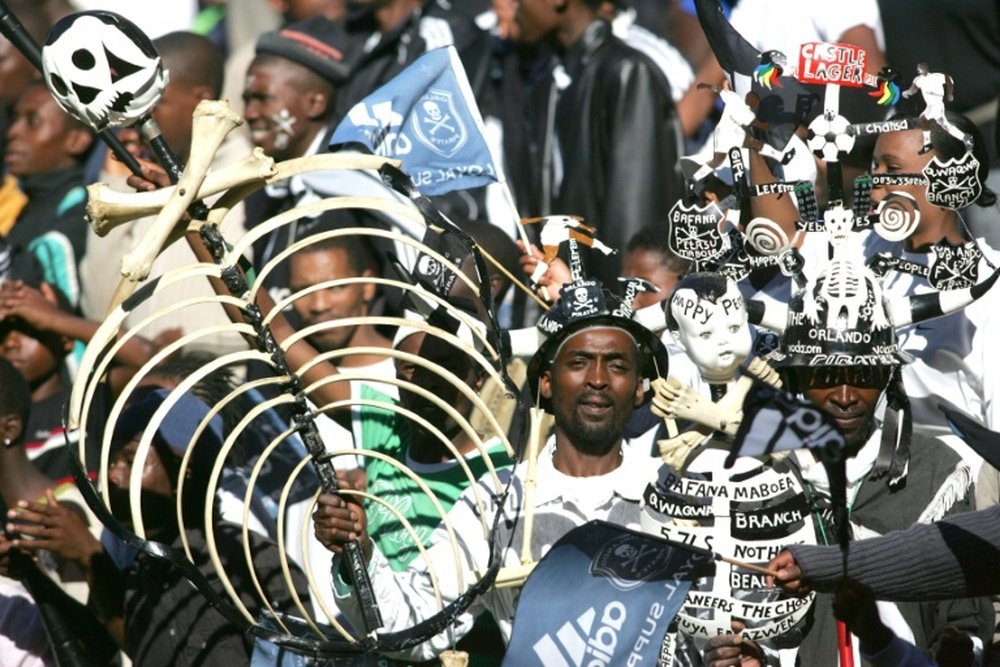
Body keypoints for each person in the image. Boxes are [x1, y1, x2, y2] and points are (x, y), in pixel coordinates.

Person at [312, 276, 668, 660]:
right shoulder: (496, 502)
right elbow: (408, 627)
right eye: (579, 363)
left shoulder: (673, 493)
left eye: (616, 365)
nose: (597, 380)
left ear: (638, 387)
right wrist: (359, 553)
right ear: (546, 382)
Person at [706, 265, 992, 665]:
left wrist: (963, 650)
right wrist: (753, 656)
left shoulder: (936, 473)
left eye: (863, 374)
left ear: (889, 378)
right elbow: (738, 610)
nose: (845, 395)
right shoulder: (754, 473)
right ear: (796, 379)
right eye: (825, 375)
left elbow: (967, 616)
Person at [79, 31, 251, 356]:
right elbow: (98, 303)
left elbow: (260, 314)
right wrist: (116, 185)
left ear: (202, 100)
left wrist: (190, 347)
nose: (135, 121)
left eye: (153, 105)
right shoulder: (157, 182)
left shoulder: (244, 182)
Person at [514, 0, 684, 286]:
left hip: (613, 313)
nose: (510, 5)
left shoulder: (627, 73)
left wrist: (616, 310)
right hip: (571, 299)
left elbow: (634, 216)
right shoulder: (551, 81)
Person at [4, 82, 95, 309]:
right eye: (15, 119)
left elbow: (31, 285)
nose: (13, 132)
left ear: (76, 140)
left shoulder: (83, 209)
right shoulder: (27, 205)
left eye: (32, 122)